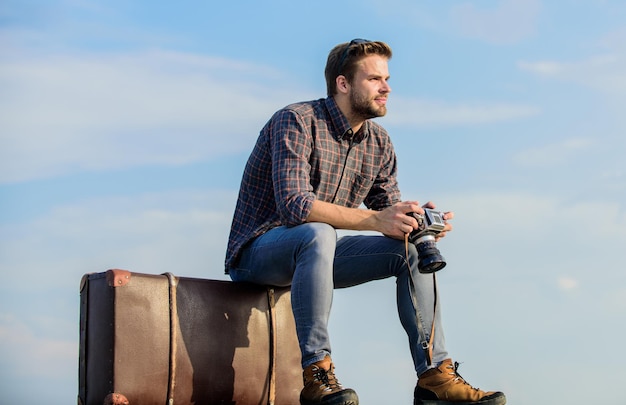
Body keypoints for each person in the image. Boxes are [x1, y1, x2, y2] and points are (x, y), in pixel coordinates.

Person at [225, 39, 506, 405]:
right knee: (317, 231)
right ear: (343, 84)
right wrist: (376, 219)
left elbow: (389, 214)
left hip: (317, 255)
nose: (387, 88)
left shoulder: (379, 143)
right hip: (257, 254)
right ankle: (317, 373)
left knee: (408, 247)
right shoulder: (295, 120)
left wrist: (419, 226)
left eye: (386, 79)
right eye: (374, 79)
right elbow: (295, 206)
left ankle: (434, 377)